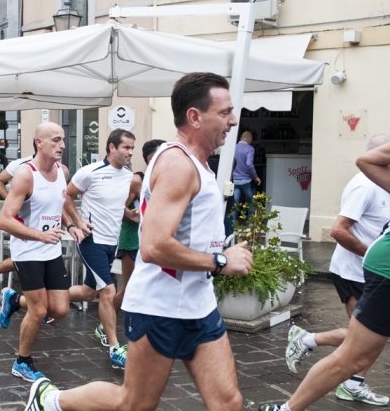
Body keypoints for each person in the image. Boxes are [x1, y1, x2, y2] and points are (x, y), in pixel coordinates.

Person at [24, 72, 254, 411]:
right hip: (160, 307)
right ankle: (51, 399)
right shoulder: (178, 164)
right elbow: (154, 246)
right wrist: (221, 261)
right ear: (195, 116)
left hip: (198, 304)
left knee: (228, 402)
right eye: (224, 112)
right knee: (132, 404)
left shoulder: (197, 164)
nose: (233, 121)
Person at [259, 139, 390, 411]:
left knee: (362, 345)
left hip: (373, 266)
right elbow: (338, 230)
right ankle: (288, 407)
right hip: (378, 269)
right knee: (354, 354)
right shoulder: (366, 184)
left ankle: (315, 346)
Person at [0, 122, 80, 382]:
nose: (62, 146)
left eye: (63, 140)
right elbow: (4, 220)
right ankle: (22, 361)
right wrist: (40, 235)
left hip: (51, 250)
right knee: (39, 311)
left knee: (61, 308)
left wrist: (71, 225)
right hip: (28, 251)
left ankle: (12, 301)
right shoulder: (25, 175)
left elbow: (59, 206)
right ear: (39, 142)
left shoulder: (62, 172)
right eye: (56, 140)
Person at [63, 129, 136, 369]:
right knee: (108, 291)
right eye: (126, 147)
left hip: (111, 243)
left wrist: (129, 214)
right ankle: (115, 348)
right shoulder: (89, 172)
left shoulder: (127, 176)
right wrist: (77, 222)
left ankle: (38, 300)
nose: (131, 152)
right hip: (91, 239)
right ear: (112, 147)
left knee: (87, 293)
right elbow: (66, 196)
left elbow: (115, 205)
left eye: (132, 148)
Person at [113, 139, 164, 314]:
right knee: (128, 287)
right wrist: (132, 215)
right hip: (133, 239)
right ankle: (104, 325)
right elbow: (118, 210)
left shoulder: (163, 180)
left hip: (153, 240)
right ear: (150, 158)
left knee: (154, 286)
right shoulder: (137, 180)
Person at [0, 144, 37, 293]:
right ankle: (36, 305)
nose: (61, 146)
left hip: (44, 221)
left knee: (30, 259)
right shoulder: (21, 164)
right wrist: (11, 201)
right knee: (24, 258)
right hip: (22, 220)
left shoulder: (58, 168)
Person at [231, 131, 260, 225]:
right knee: (252, 203)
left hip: (234, 180)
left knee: (234, 205)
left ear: (241, 138)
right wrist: (255, 176)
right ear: (250, 139)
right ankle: (250, 226)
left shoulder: (233, 147)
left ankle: (232, 226)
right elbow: (249, 164)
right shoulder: (250, 149)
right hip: (246, 180)